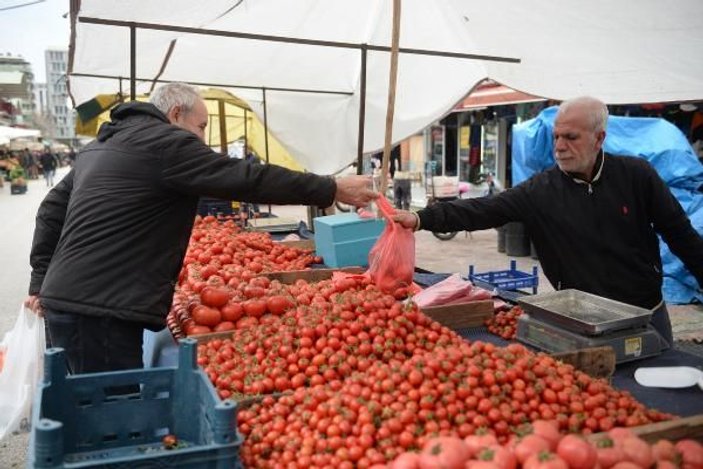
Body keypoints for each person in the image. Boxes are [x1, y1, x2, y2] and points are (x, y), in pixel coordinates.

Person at [25, 82, 377, 374]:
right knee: (114, 411)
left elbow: (50, 209)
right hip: (101, 310)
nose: (202, 138)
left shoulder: (101, 146)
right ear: (176, 115)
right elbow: (246, 178)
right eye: (202, 126)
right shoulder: (167, 144)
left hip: (67, 301)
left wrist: (41, 280)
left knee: (85, 407)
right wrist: (330, 188)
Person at [394, 96, 703, 347]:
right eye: (556, 137)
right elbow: (482, 210)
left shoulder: (637, 176)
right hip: (582, 322)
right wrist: (421, 218)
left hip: (645, 313)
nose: (559, 146)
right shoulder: (540, 190)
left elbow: (681, 235)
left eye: (570, 137)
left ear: (599, 139)